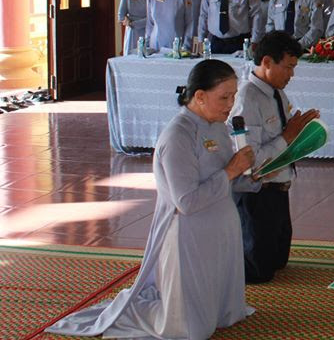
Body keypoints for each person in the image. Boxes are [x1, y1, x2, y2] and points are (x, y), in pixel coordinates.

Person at [47, 60, 255, 338]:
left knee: (224, 312)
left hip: (221, 226)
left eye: (233, 96)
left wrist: (253, 175)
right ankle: (135, 312)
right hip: (189, 234)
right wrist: (231, 171)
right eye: (224, 97)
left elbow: (228, 177)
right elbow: (186, 201)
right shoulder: (178, 136)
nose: (231, 105)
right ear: (200, 96)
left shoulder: (217, 126)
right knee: (191, 329)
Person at [230, 31, 319, 284]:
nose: (291, 75)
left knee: (279, 262)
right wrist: (287, 137)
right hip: (257, 193)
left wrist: (302, 134)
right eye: (288, 67)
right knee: (258, 273)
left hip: (278, 188)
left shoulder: (277, 93)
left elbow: (283, 138)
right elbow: (250, 159)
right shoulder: (247, 99)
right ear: (267, 62)